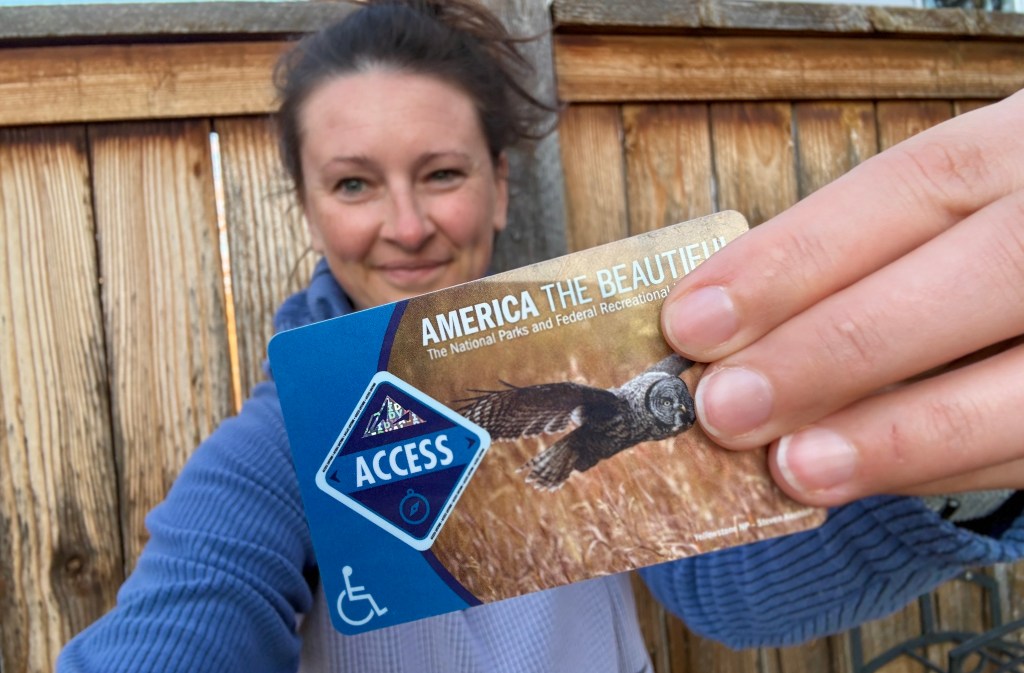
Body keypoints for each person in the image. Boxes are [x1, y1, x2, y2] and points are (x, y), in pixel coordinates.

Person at [57, 1, 1024, 670]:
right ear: (308, 206)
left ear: (500, 182)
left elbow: (740, 592)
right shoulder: (281, 446)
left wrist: (966, 468)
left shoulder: (610, 362)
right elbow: (198, 599)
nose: (404, 224)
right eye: (354, 183)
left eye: (440, 172)